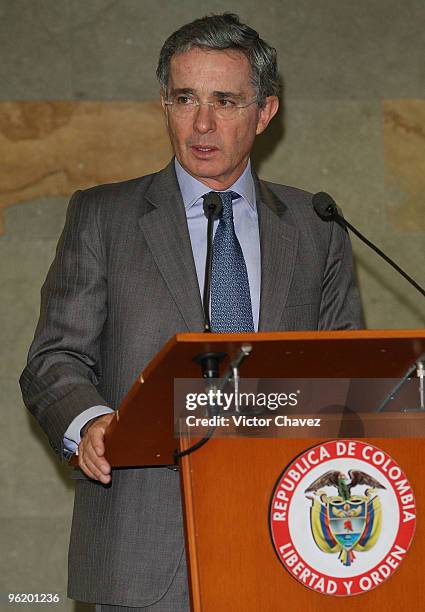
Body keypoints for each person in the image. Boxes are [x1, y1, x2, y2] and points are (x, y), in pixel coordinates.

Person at [20, 13, 361, 611]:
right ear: (165, 104)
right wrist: (92, 424)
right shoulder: (105, 216)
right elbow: (55, 359)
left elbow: (346, 373)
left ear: (265, 112)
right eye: (185, 98)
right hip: (143, 551)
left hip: (294, 541)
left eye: (225, 101)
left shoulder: (315, 227)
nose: (202, 123)